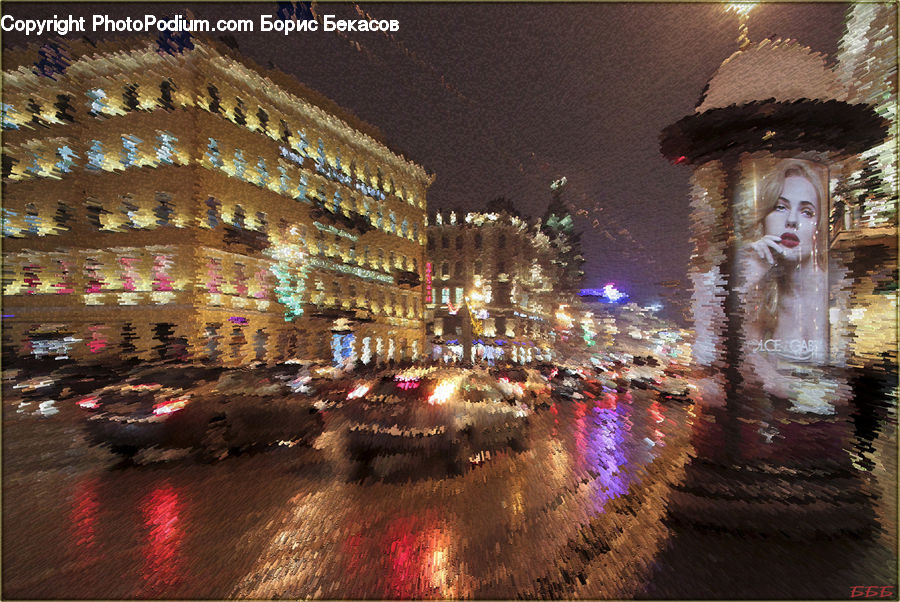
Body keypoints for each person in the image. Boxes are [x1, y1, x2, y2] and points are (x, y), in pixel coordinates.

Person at [740, 158, 830, 405]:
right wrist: (746, 282)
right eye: (780, 207)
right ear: (764, 219)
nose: (791, 220)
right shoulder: (762, 300)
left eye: (807, 212)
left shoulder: (837, 292)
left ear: (818, 229)